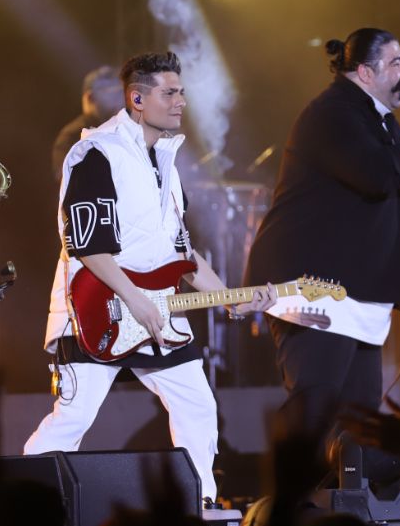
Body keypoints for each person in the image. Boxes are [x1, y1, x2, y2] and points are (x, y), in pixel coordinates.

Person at [23, 51, 272, 500]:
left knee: (197, 406)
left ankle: (200, 505)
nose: (180, 102)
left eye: (182, 92)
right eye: (169, 93)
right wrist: (135, 299)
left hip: (153, 313)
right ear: (137, 99)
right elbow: (88, 247)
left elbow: (183, 255)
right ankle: (20, 505)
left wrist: (230, 298)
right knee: (73, 418)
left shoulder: (166, 161)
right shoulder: (96, 153)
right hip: (93, 311)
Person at [244, 28, 400, 441]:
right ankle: (291, 484)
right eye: (395, 62)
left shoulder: (379, 121)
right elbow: (379, 177)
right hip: (312, 284)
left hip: (354, 292)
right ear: (366, 73)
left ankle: (346, 485)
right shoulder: (333, 114)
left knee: (360, 416)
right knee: (316, 406)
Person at [51, 65, 123, 180]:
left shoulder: (122, 129)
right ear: (90, 97)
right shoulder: (72, 135)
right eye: (110, 93)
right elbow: (69, 180)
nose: (117, 99)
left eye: (119, 93)